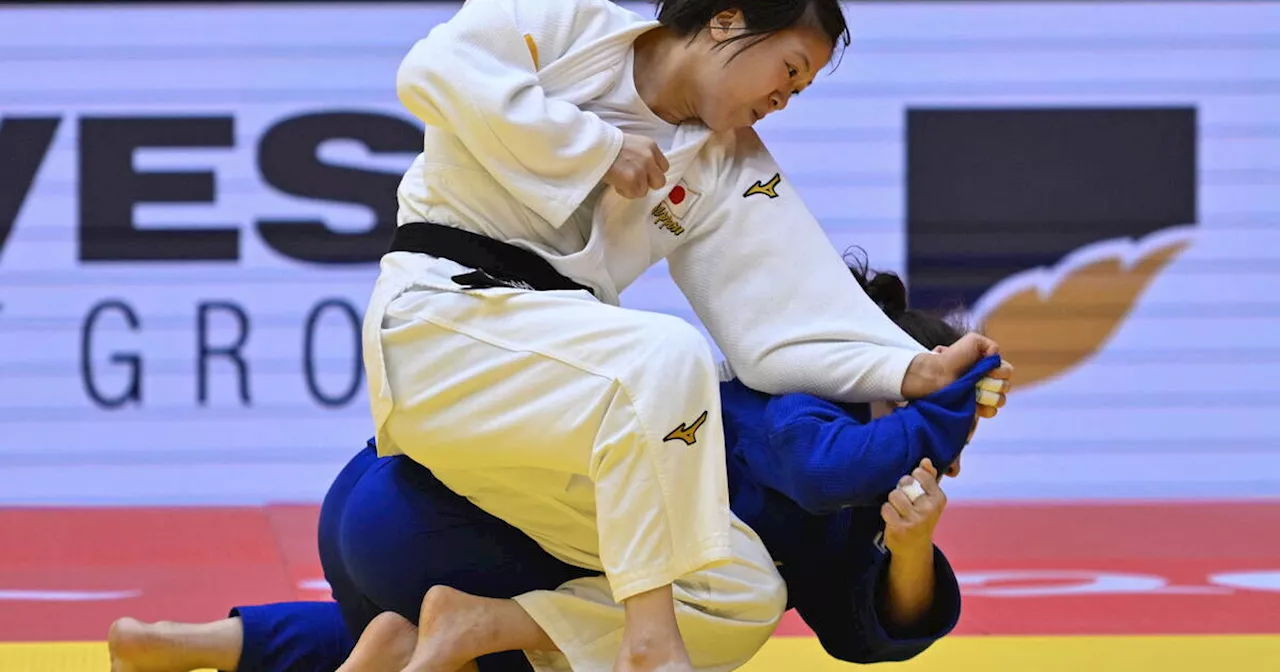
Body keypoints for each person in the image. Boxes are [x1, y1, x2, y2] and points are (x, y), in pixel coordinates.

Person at [365, 0, 1009, 667]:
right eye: (787, 70)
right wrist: (595, 147)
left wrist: (917, 370)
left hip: (546, 408)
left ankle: (467, 629)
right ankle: (651, 645)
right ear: (727, 19)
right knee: (671, 354)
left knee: (740, 587)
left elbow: (791, 320)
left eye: (799, 90)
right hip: (441, 324)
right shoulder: (569, 26)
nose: (783, 98)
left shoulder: (728, 165)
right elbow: (433, 70)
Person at [109, 264, 998, 672]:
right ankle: (472, 628)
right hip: (444, 517)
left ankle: (208, 646)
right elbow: (822, 488)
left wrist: (909, 544)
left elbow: (863, 630)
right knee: (726, 604)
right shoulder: (800, 406)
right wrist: (939, 414)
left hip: (381, 503)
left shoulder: (781, 400)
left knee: (547, 631)